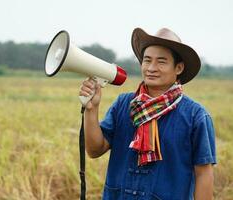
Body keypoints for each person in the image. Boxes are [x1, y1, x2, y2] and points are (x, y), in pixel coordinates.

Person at [79, 28, 216, 200]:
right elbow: (94, 150)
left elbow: (204, 174)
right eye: (147, 60)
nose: (151, 68)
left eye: (161, 62)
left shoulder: (196, 116)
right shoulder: (124, 104)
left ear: (179, 68)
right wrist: (91, 109)